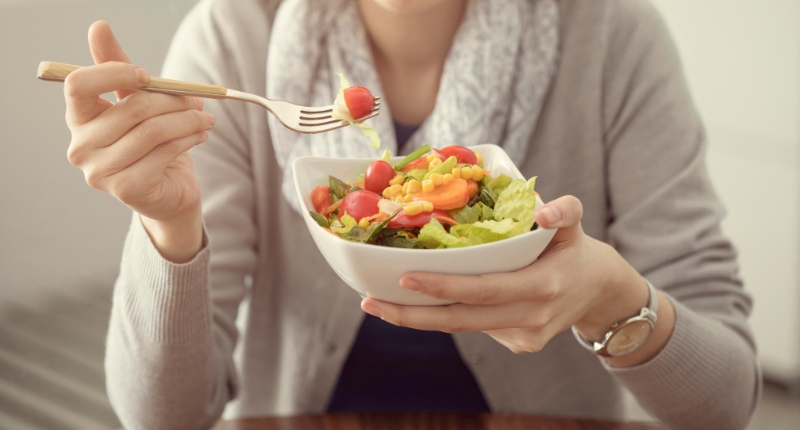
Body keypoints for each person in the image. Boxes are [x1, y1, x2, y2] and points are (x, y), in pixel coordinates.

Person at [60, 0, 761, 429]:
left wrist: (610, 297)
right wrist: (170, 228)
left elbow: (723, 403)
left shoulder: (613, 36)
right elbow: (163, 419)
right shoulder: (232, 36)